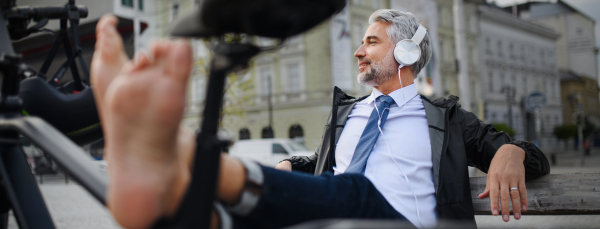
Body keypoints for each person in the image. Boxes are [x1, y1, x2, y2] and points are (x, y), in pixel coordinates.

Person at [90, 9, 549, 229]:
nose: (357, 49)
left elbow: (533, 157)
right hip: (339, 218)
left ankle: (175, 153)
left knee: (354, 189)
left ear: (407, 52)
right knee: (222, 218)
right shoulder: (349, 113)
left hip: (400, 223)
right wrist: (295, 164)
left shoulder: (446, 118)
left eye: (371, 41)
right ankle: (170, 192)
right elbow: (321, 162)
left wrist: (509, 149)